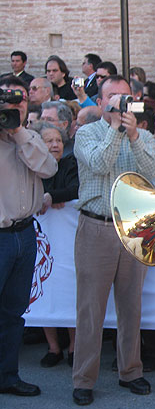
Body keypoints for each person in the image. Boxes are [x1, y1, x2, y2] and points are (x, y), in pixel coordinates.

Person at [72, 75, 155, 406]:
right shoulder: (87, 133)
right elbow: (99, 163)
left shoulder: (145, 136)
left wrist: (135, 134)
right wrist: (115, 128)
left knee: (131, 305)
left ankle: (131, 371)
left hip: (132, 228)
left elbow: (153, 172)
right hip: (96, 227)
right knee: (90, 309)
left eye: (126, 97)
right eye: (113, 97)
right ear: (100, 101)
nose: (121, 103)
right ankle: (83, 379)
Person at [0, 75, 57, 397]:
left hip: (24, 234)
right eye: (8, 101)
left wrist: (18, 131)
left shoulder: (28, 136)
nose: (15, 106)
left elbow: (47, 169)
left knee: (13, 312)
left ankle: (7, 375)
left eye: (20, 101)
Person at [32, 121, 79, 368]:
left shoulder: (71, 163)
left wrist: (55, 197)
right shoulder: (32, 167)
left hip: (67, 245)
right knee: (44, 290)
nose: (54, 144)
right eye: (49, 140)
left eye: (58, 140)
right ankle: (53, 347)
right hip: (42, 243)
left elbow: (74, 188)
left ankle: (73, 347)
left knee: (68, 291)